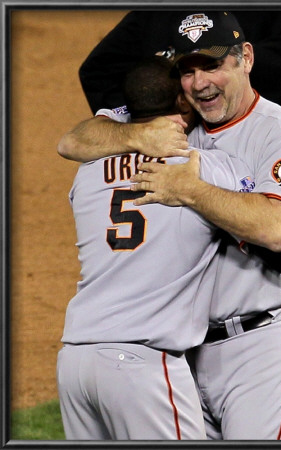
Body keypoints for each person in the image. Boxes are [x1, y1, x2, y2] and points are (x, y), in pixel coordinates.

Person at [58, 11, 281, 440]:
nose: (199, 84)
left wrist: (190, 190)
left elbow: (279, 230)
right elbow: (72, 141)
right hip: (185, 352)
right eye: (187, 71)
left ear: (245, 58)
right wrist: (134, 137)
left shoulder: (280, 129)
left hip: (262, 339)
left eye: (212, 65)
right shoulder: (175, 122)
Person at [56, 55, 258, 440]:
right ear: (181, 102)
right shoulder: (202, 167)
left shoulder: (86, 173)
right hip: (143, 365)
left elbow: (77, 140)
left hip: (75, 362)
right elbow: (269, 211)